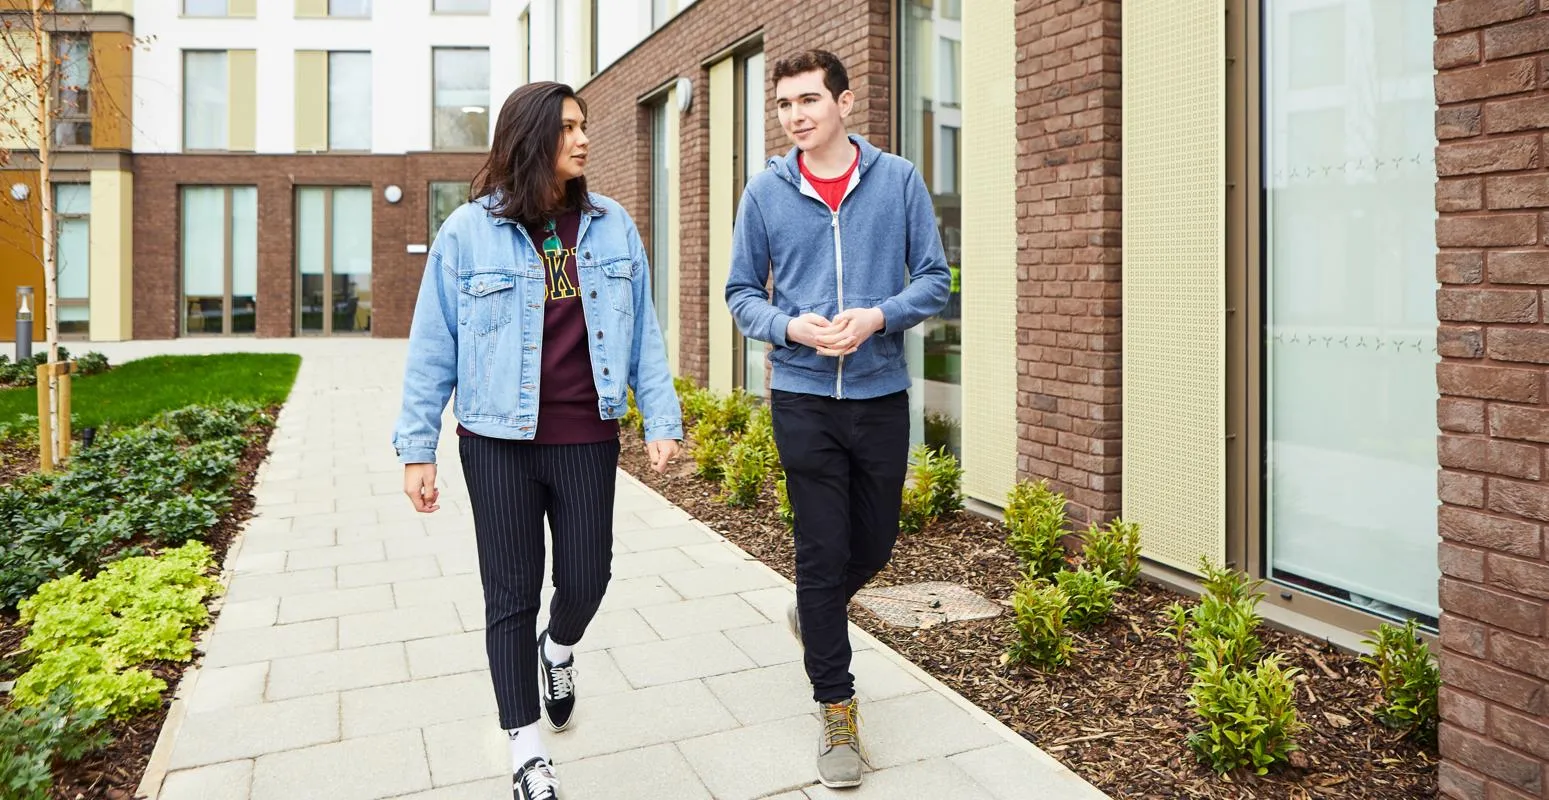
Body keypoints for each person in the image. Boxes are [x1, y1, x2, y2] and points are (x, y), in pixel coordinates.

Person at [392, 81, 683, 800]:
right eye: (567, 129)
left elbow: (643, 327)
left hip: (585, 432)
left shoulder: (612, 226)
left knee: (588, 576)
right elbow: (433, 343)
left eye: (583, 126)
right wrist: (416, 447)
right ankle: (526, 753)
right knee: (509, 594)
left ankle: (559, 650)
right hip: (496, 441)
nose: (583, 140)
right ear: (529, 140)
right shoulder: (467, 232)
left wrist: (662, 414)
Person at [724, 50, 950, 788]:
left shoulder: (898, 181)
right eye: (785, 103)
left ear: (845, 103)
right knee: (821, 554)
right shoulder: (764, 192)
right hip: (801, 395)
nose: (795, 115)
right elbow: (739, 295)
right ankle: (837, 707)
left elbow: (935, 280)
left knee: (874, 545)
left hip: (880, 393)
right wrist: (792, 329)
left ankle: (814, 613)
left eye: (809, 100)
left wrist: (879, 317)